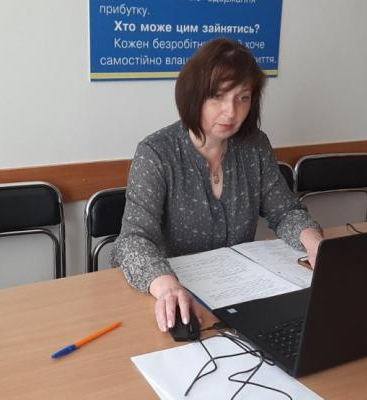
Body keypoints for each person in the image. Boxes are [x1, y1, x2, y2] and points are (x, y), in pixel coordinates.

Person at [113, 38, 323, 333]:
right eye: (217, 97)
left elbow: (286, 211)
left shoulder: (254, 146)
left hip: (240, 296)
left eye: (243, 98)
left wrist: (317, 246)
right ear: (193, 96)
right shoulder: (156, 153)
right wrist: (167, 287)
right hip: (173, 295)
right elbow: (133, 240)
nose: (231, 112)